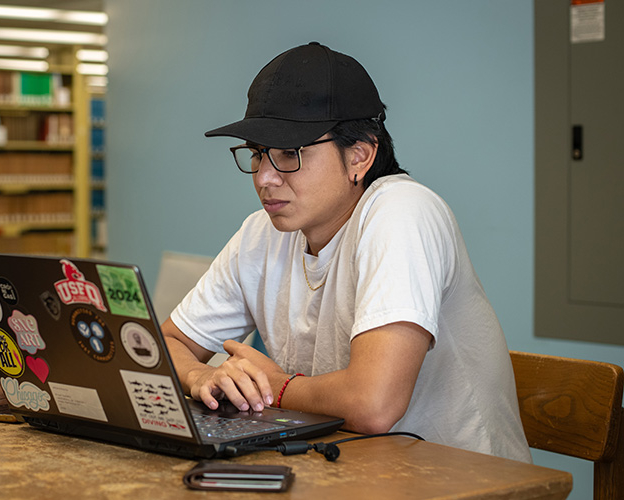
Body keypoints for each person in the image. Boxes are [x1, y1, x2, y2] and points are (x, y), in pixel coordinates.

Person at [161, 42, 532, 463]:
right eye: (257, 153)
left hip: (464, 480)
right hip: (354, 471)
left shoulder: (402, 211)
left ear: (359, 155)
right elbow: (165, 345)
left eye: (289, 154)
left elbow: (374, 405)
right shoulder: (261, 233)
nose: (264, 178)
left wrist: (276, 386)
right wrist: (203, 377)